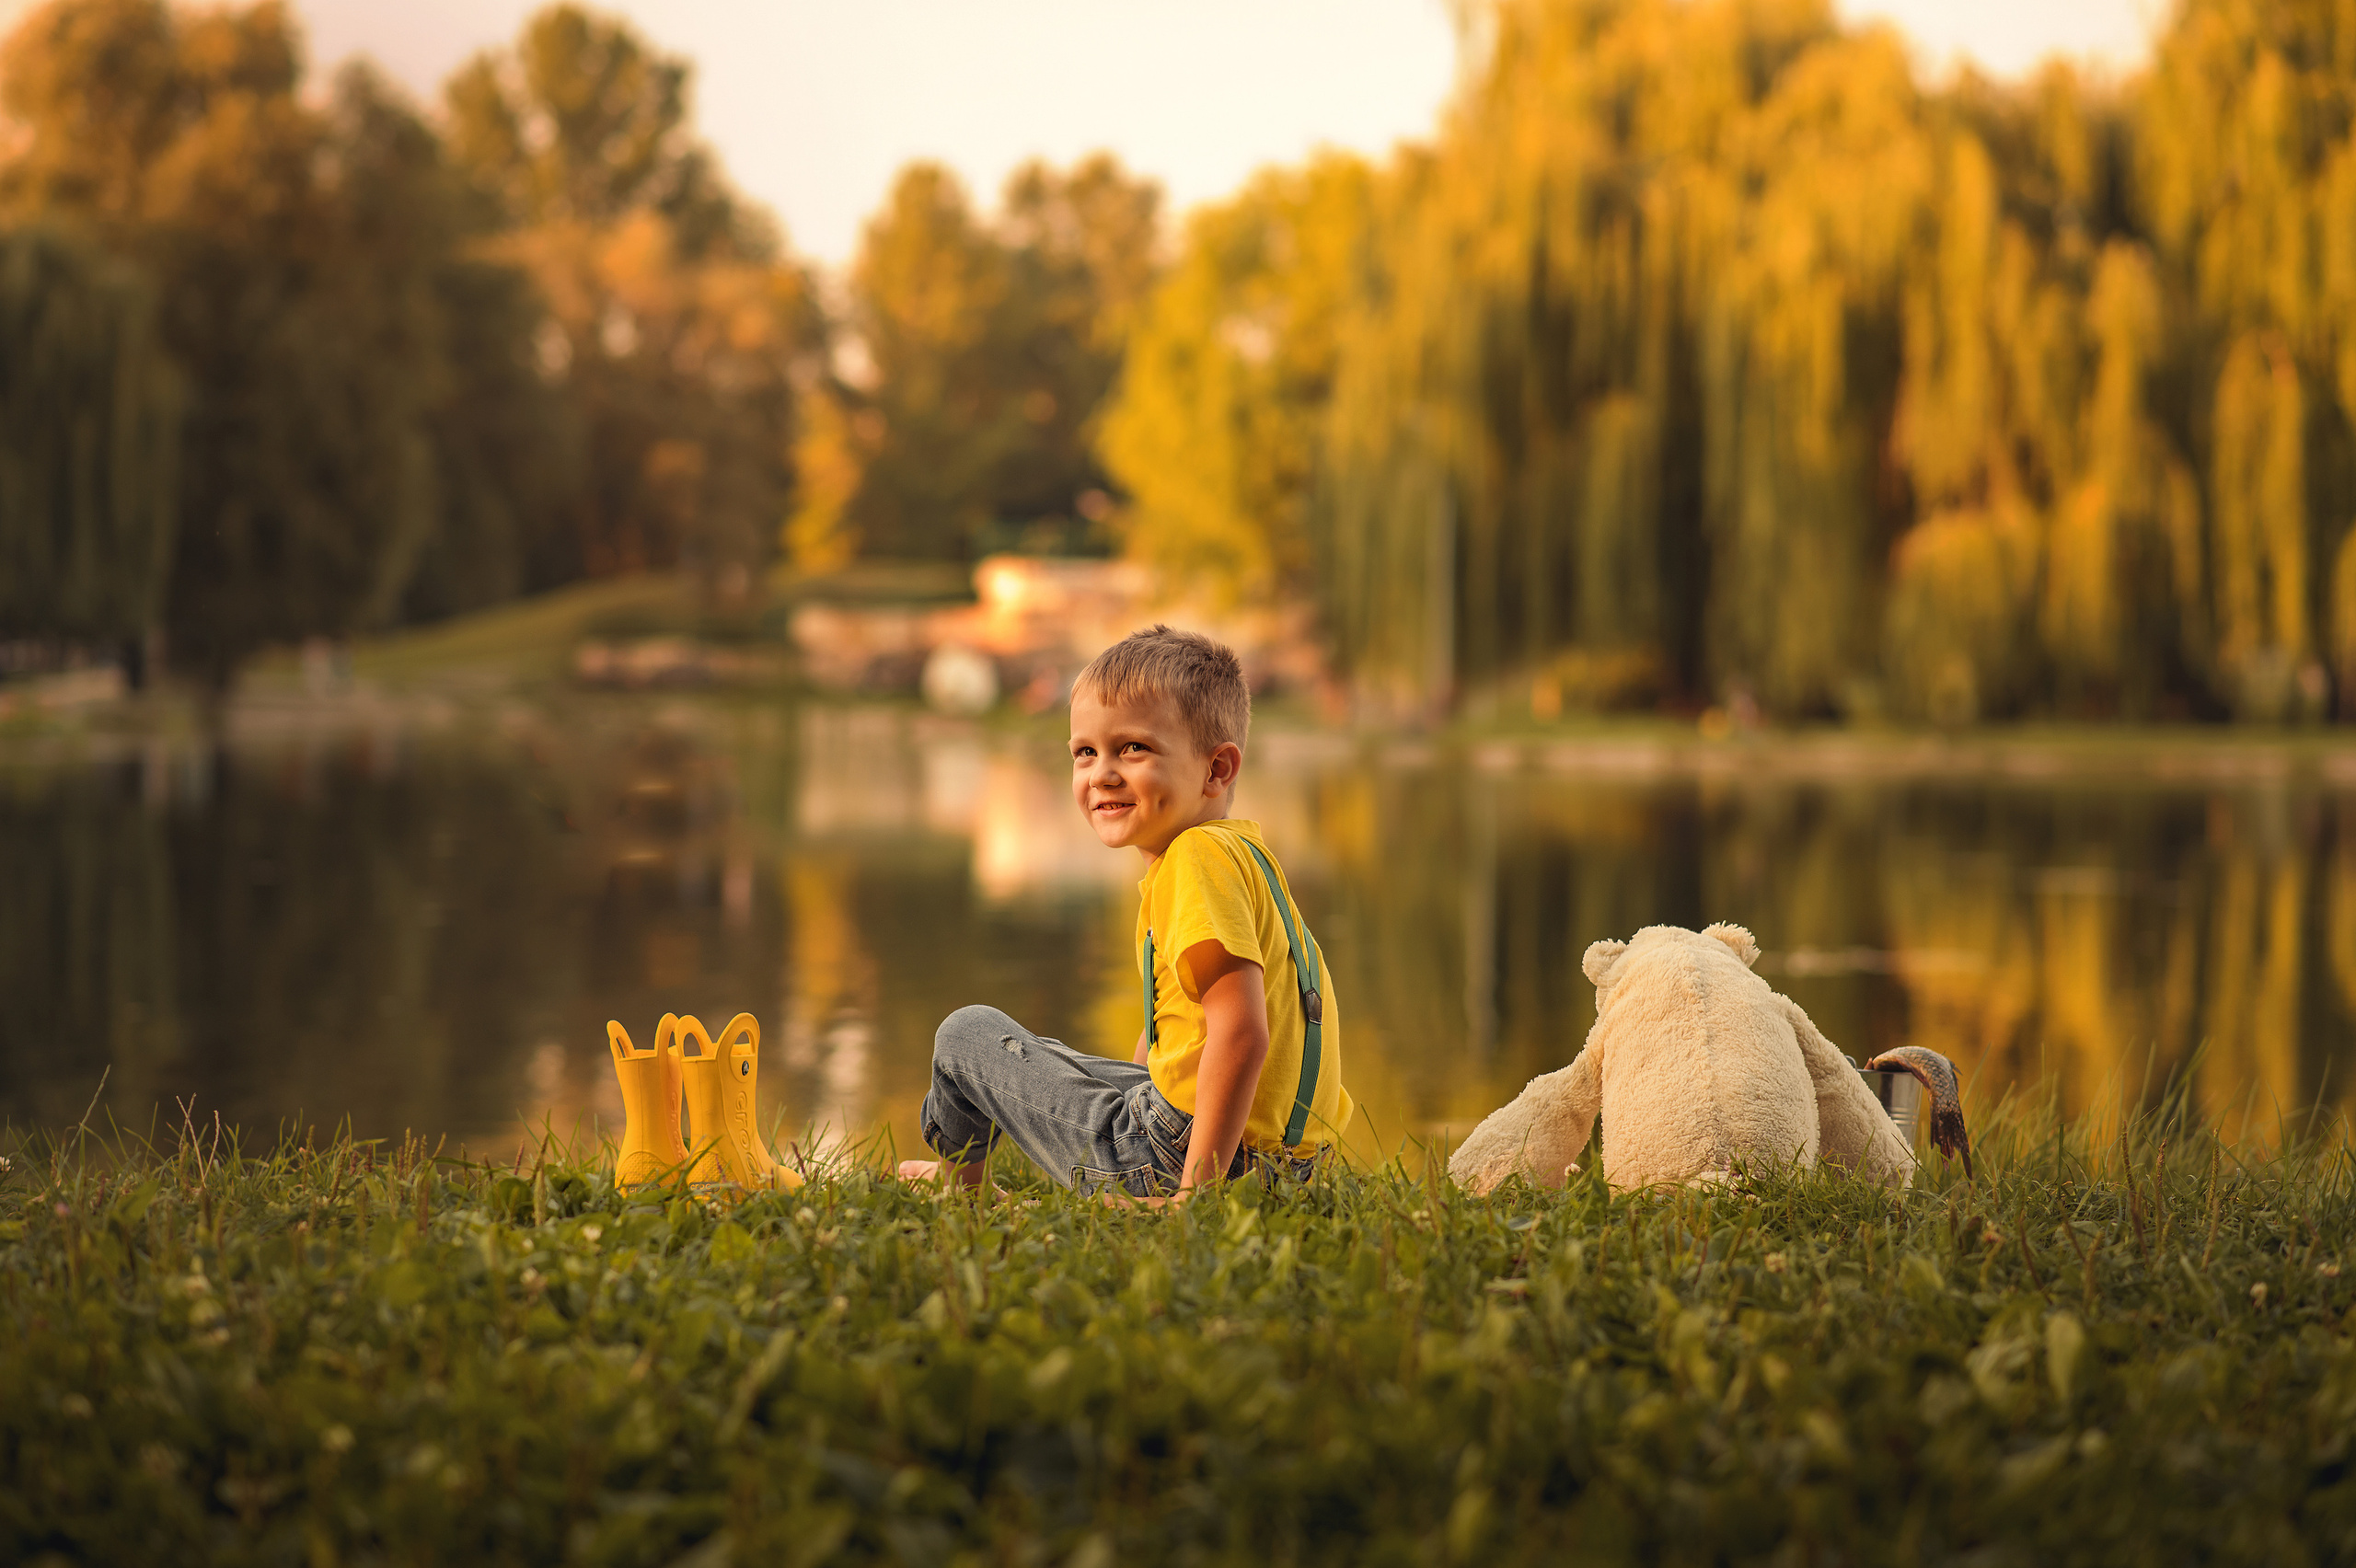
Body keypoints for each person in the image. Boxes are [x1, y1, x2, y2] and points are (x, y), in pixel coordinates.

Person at [897, 625, 1353, 1200]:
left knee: (968, 1035)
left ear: (1217, 770)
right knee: (1063, 1062)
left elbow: (1241, 1034)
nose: (1102, 773)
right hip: (1293, 1167)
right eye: (1086, 752)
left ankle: (962, 1189)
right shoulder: (1243, 855)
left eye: (1133, 748)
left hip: (1189, 1159)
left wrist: (1197, 1198)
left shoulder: (1195, 861)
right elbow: (1175, 1027)